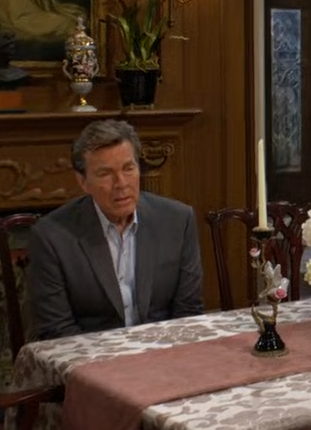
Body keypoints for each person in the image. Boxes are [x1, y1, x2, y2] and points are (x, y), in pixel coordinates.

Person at [27, 119, 204, 339]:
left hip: (163, 350)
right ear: (83, 182)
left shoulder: (177, 221)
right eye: (105, 173)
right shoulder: (51, 237)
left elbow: (188, 313)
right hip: (90, 354)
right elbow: (57, 330)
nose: (121, 183)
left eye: (128, 168)